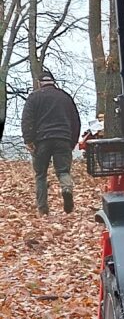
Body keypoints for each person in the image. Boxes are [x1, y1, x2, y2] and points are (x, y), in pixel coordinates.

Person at [21, 68, 81, 216]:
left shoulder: (33, 97)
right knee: (63, 171)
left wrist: (28, 140)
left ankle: (43, 209)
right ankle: (66, 189)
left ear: (39, 83)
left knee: (40, 174)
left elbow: (27, 120)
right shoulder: (65, 97)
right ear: (53, 82)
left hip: (41, 141)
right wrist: (72, 141)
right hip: (63, 139)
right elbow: (76, 121)